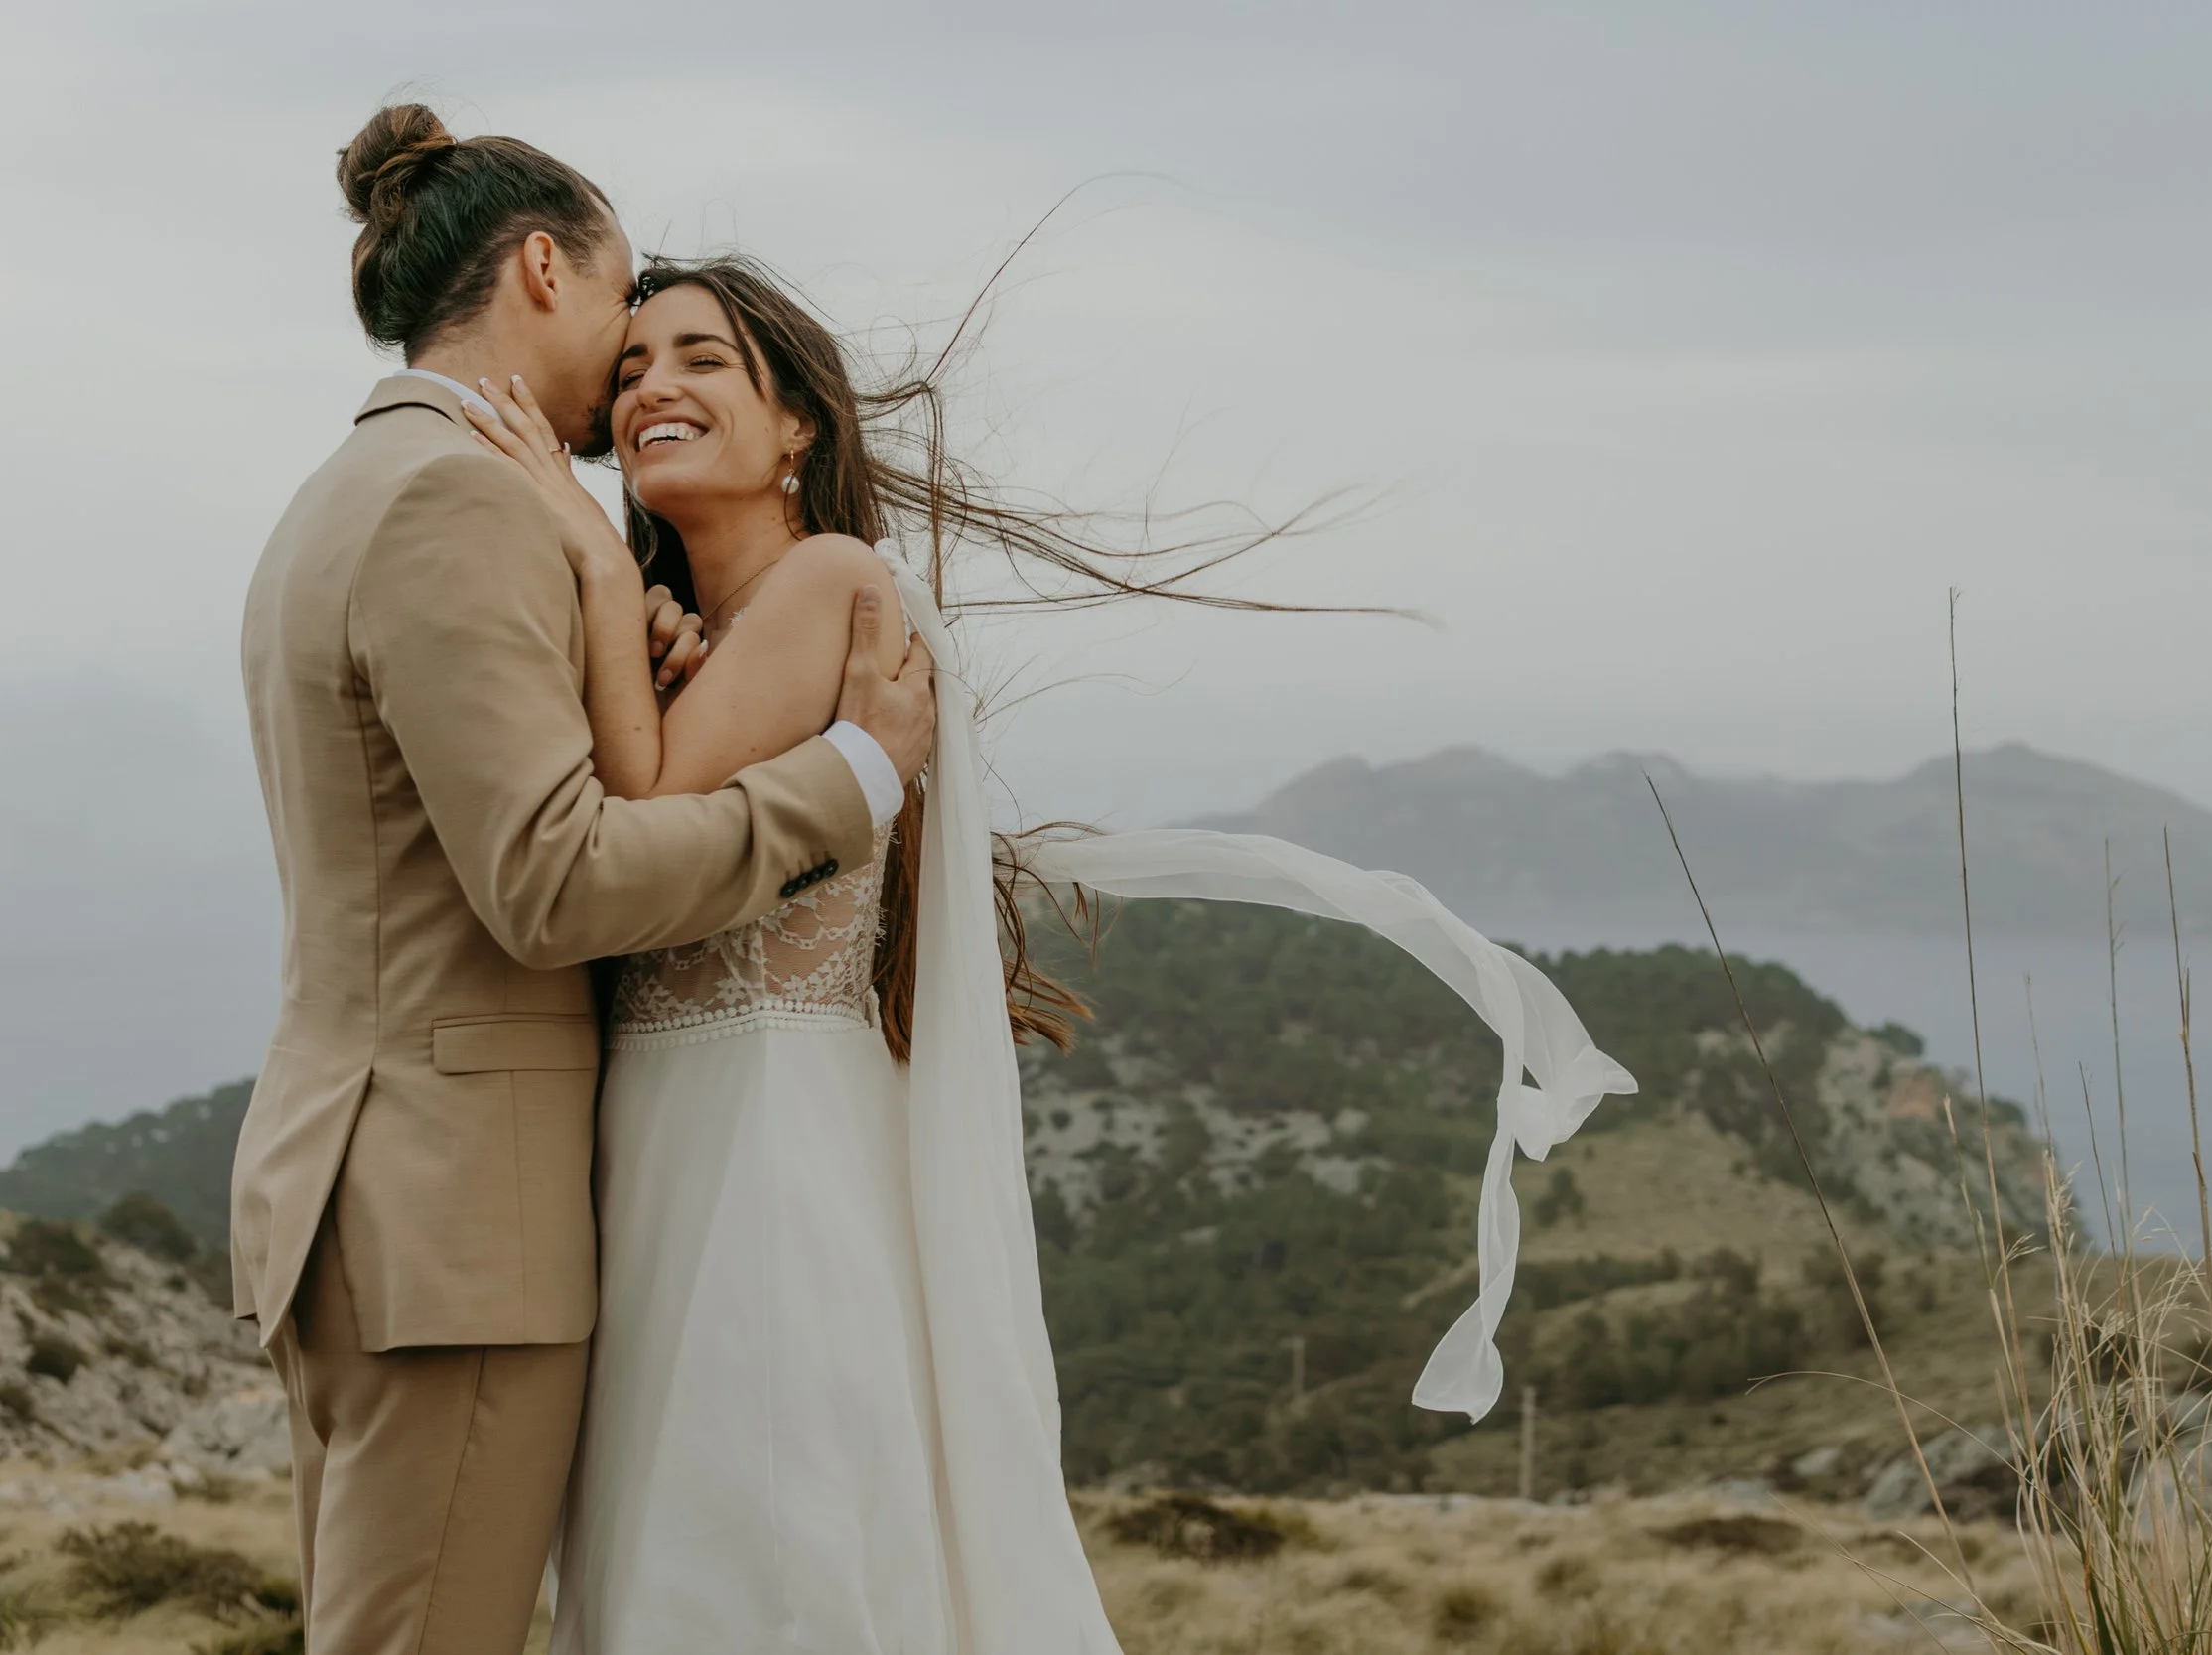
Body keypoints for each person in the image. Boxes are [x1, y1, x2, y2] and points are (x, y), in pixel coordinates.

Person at [465, 248, 1637, 1651]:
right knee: (676, 1555)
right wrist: (634, 627)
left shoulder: (830, 578)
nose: (656, 382)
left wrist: (592, 559)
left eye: (704, 358)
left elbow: (642, 821)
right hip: (658, 1144)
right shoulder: (698, 635)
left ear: (798, 429)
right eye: (638, 364)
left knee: (760, 1544)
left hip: (767, 1148)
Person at [231, 105, 934, 1655]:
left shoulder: (349, 488)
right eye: (628, 313)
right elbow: (550, 880)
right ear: (545, 269)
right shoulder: (462, 497)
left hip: (379, 1195)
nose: (637, 362)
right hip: (455, 1223)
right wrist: (852, 780)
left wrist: (634, 651)